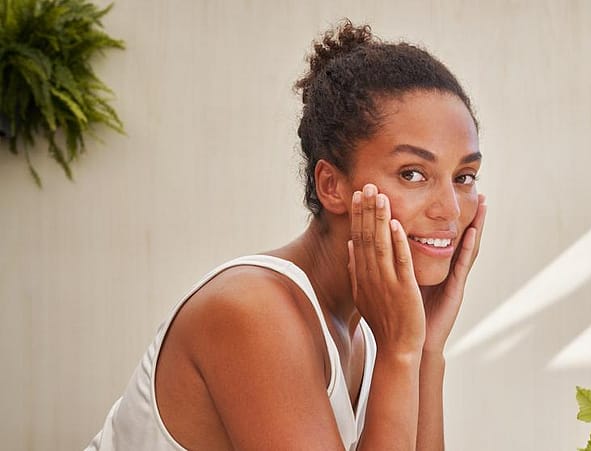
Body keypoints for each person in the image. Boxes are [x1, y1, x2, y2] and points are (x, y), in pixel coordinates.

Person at [87, 19, 486, 451]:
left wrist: (425, 350)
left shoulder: (374, 336)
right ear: (331, 185)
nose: (449, 209)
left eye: (464, 176)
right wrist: (402, 353)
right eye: (413, 174)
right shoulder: (252, 311)